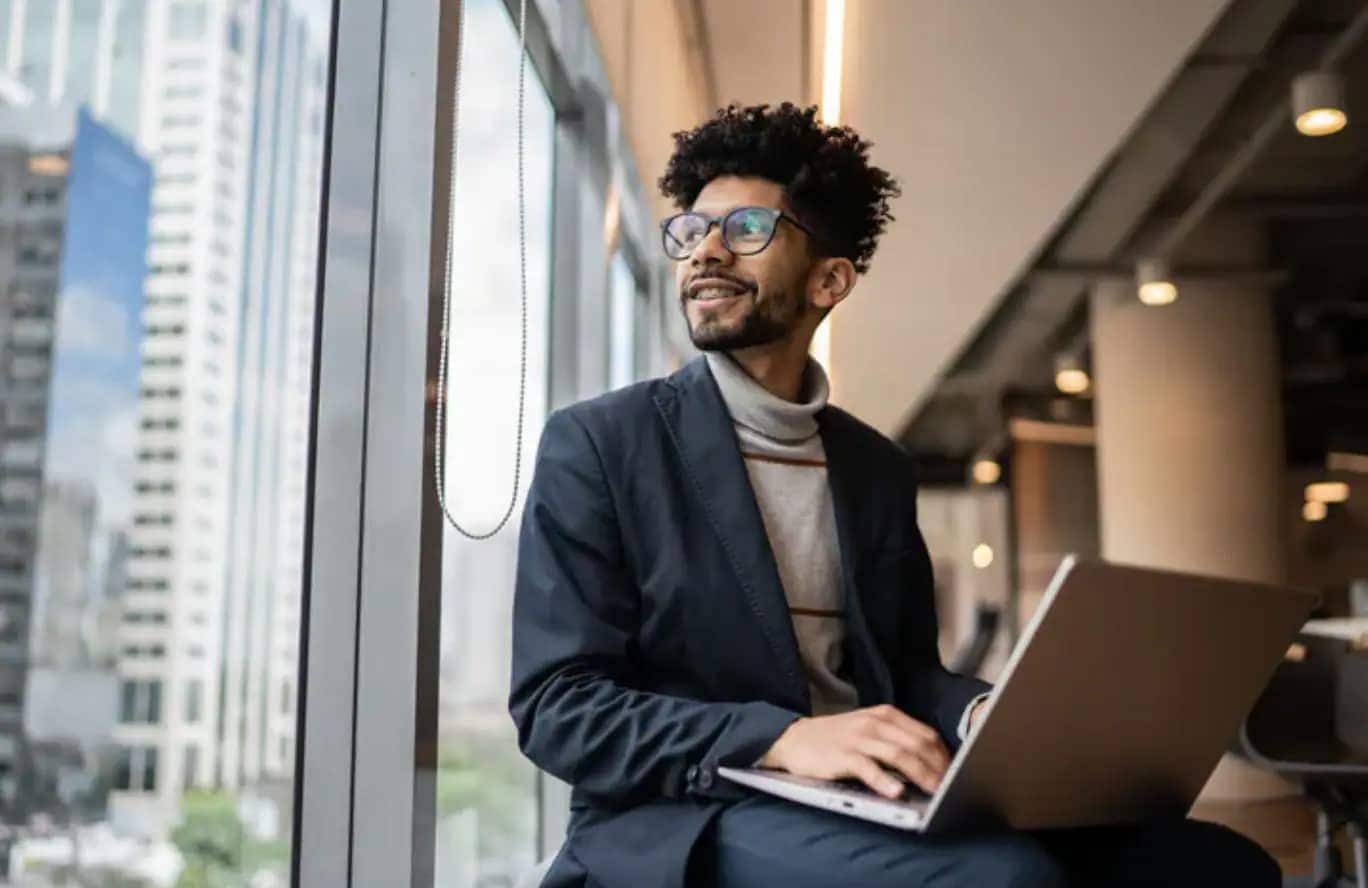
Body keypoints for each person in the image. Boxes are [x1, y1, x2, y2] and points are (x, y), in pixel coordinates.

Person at [509, 103, 1279, 888]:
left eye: (745, 229)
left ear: (829, 279)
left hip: (858, 796)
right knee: (1004, 881)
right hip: (687, 813)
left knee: (1219, 865)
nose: (705, 250)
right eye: (691, 230)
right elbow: (558, 707)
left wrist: (983, 718)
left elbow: (905, 671)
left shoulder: (873, 467)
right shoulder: (601, 444)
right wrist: (778, 739)